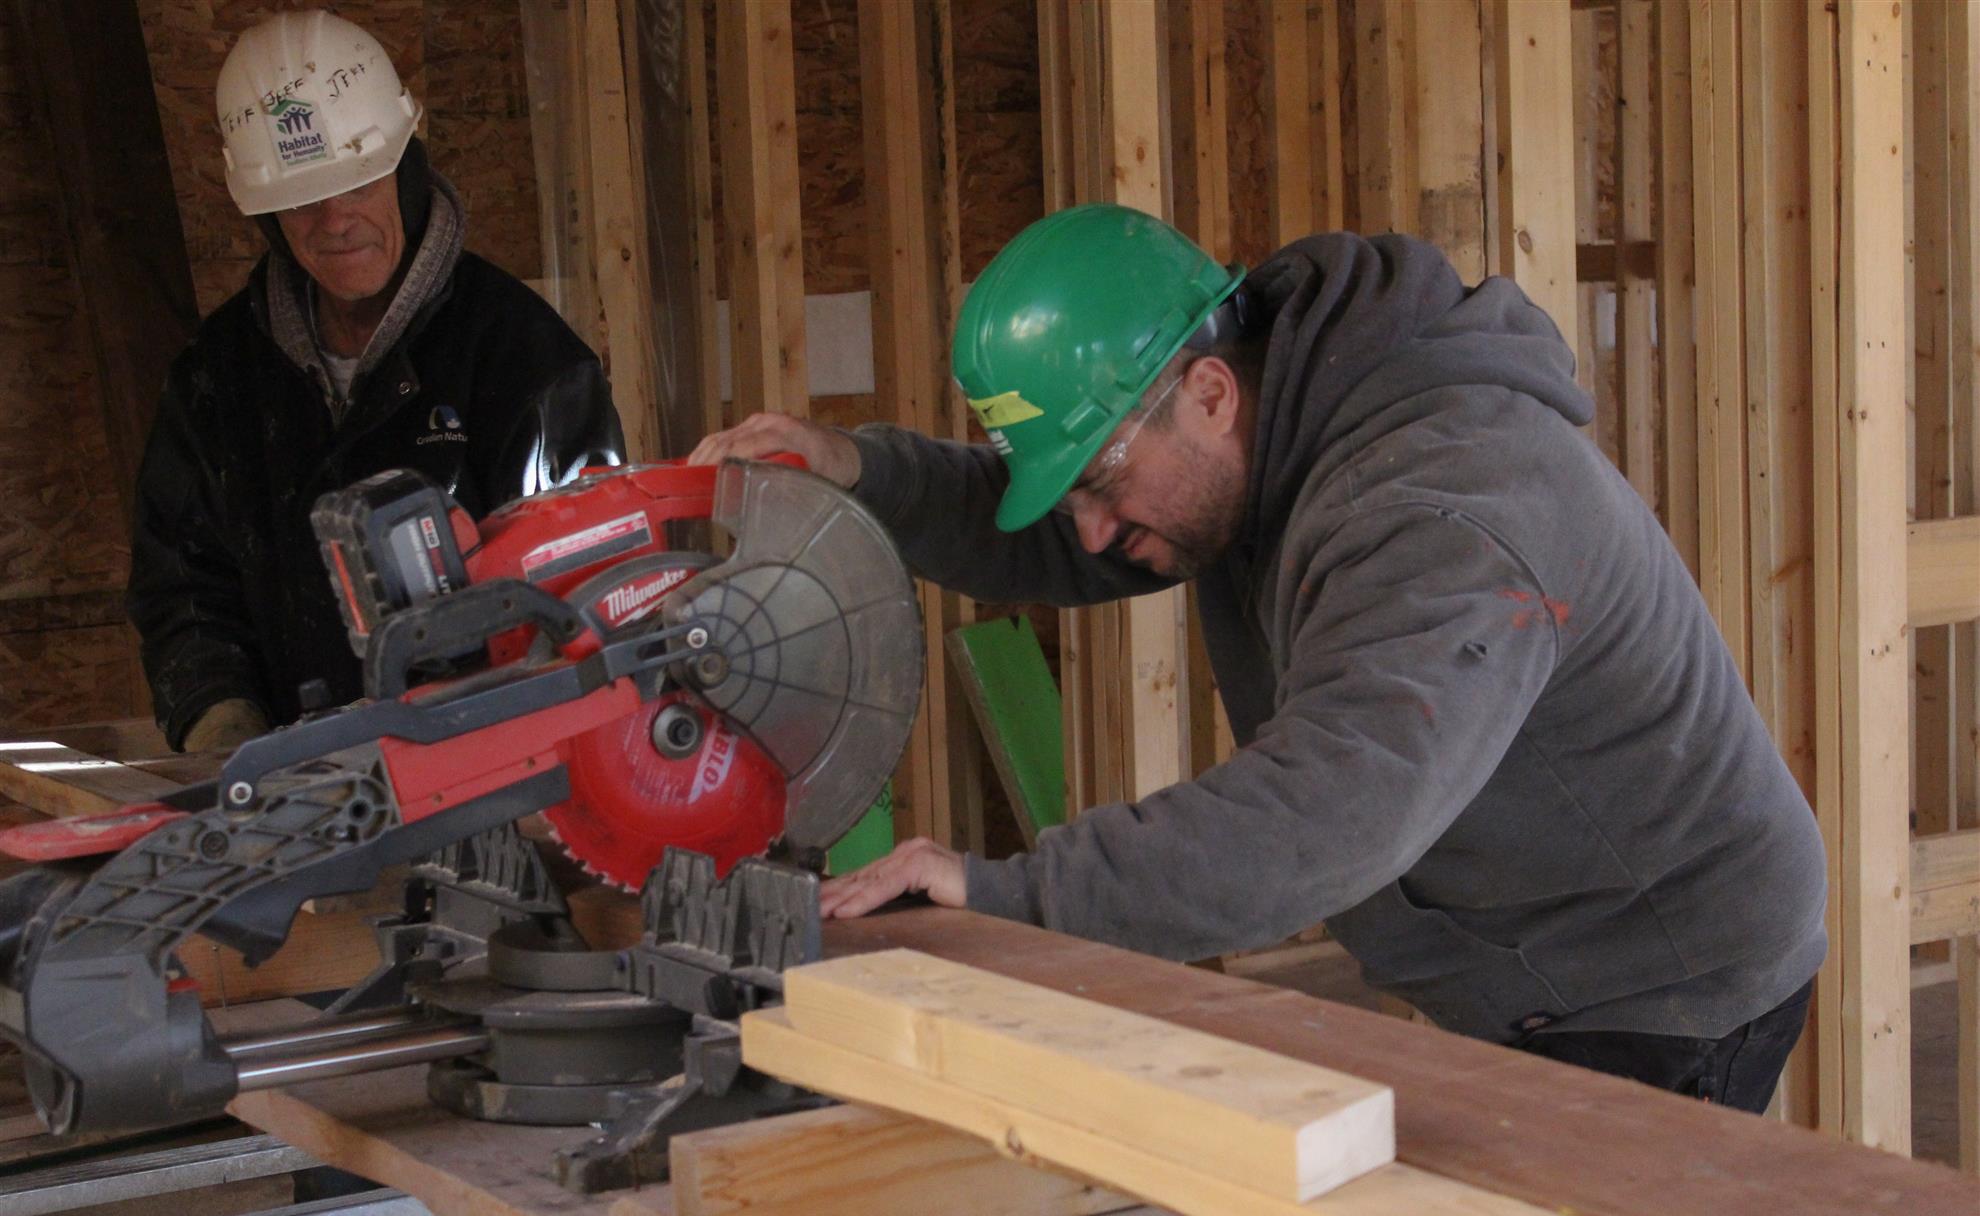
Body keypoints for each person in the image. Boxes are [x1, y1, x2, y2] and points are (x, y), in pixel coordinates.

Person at [690, 203, 1829, 1114]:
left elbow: (1328, 811)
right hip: (1531, 941)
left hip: (1657, 971)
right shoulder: (1268, 437)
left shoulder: (1447, 509)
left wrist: (1015, 897)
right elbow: (1059, 518)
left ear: (1210, 392)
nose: (1087, 531)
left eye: (1097, 482)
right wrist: (860, 472)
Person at [125, 12, 616, 1216]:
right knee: (343, 1142)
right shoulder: (218, 384)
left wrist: (505, 739)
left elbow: (594, 598)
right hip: (323, 829)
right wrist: (237, 739)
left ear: (401, 156)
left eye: (353, 183)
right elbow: (183, 583)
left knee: (556, 1143)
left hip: (520, 816)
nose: (336, 221)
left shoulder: (525, 360)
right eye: (299, 203)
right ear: (261, 213)